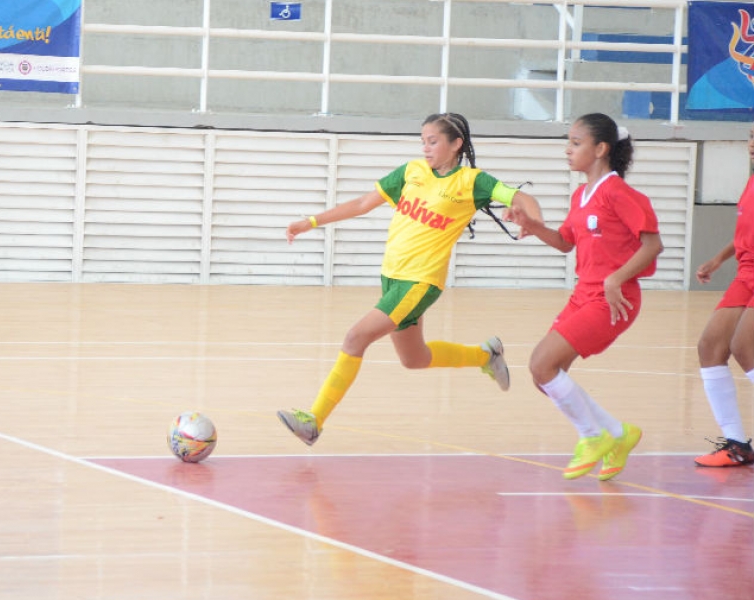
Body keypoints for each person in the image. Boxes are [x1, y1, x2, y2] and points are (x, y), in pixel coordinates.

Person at [276, 112, 542, 446]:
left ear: (456, 144)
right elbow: (362, 203)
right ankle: (485, 355)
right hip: (391, 277)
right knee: (415, 360)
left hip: (420, 282)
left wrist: (532, 220)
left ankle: (313, 421)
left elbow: (522, 198)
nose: (426, 148)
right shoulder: (412, 171)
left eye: (433, 142)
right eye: (423, 142)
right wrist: (311, 222)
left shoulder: (472, 182)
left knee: (355, 338)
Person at [510, 113, 662, 481]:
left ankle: (592, 436)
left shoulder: (619, 193)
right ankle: (616, 434)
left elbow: (653, 244)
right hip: (584, 293)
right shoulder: (581, 194)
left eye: (576, 143)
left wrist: (616, 279)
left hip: (614, 299)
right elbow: (565, 242)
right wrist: (533, 227)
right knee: (542, 374)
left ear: (601, 149)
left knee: (543, 365)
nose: (568, 149)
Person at [690, 122, 754, 469]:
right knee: (710, 347)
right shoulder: (750, 181)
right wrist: (718, 258)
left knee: (745, 347)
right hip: (745, 274)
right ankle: (737, 445)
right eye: (751, 137)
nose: (752, 144)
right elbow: (745, 231)